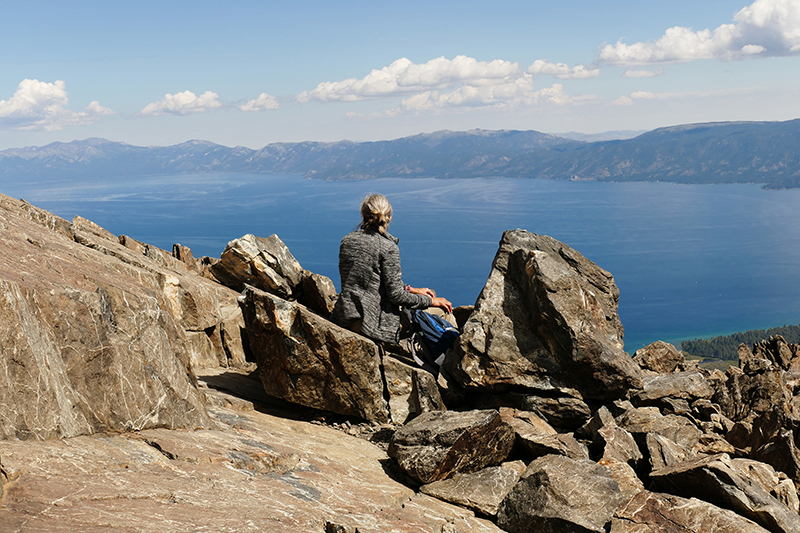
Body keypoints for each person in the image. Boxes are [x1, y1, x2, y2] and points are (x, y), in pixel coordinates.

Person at [331, 193, 453, 347]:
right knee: (445, 312)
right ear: (389, 218)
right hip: (372, 325)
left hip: (346, 316)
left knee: (430, 296)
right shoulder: (388, 248)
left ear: (363, 216)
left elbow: (373, 280)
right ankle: (448, 364)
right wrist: (431, 301)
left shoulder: (347, 240)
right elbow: (396, 296)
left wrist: (412, 289)